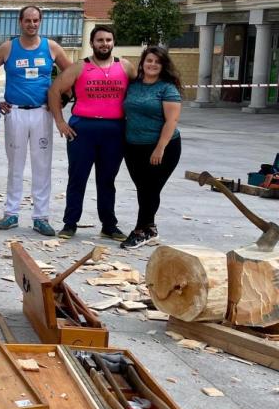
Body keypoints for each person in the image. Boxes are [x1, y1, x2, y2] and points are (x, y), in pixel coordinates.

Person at [0, 6, 74, 236]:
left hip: (42, 112)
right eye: (28, 20)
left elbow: (72, 73)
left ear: (40, 22)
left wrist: (64, 97)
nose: (31, 24)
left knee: (42, 165)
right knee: (15, 164)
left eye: (35, 20)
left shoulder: (51, 47)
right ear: (20, 22)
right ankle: (11, 213)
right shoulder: (8, 47)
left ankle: (41, 216)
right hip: (15, 112)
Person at [48, 25, 136, 241]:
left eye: (108, 40)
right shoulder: (80, 67)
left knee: (107, 180)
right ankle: (70, 224)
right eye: (100, 40)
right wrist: (59, 121)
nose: (104, 44)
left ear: (113, 42)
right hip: (83, 130)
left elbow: (141, 91)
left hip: (114, 130)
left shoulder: (125, 67)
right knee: (77, 178)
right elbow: (54, 91)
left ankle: (109, 225)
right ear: (92, 43)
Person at [120, 46, 183, 249]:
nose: (152, 65)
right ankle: (151, 228)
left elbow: (171, 121)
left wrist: (160, 148)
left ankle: (140, 230)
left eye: (157, 62)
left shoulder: (167, 89)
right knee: (143, 189)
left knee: (150, 189)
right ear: (143, 63)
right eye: (149, 60)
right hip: (133, 147)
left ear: (163, 66)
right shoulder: (134, 85)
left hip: (162, 148)